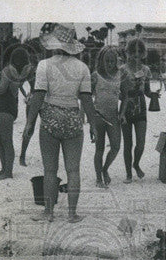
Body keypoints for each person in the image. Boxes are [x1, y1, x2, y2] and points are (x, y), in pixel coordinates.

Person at [23, 23, 95, 223]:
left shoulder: (44, 65)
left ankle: (49, 212)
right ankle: (72, 214)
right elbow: (87, 99)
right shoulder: (82, 67)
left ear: (54, 43)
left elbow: (38, 96)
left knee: (50, 170)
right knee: (73, 170)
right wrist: (94, 125)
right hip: (73, 119)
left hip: (51, 119)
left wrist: (29, 123)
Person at [0, 46, 30, 180]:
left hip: (5, 109)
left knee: (4, 140)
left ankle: (7, 171)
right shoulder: (17, 73)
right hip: (7, 109)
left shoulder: (7, 71)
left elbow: (1, 89)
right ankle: (5, 168)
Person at [119, 38, 152, 182]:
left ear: (143, 53)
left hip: (141, 107)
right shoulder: (122, 70)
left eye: (139, 51)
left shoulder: (146, 70)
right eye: (133, 51)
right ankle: (128, 173)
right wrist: (126, 96)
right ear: (128, 52)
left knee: (141, 143)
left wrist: (154, 95)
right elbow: (118, 92)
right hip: (126, 108)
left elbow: (147, 91)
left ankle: (136, 164)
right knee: (127, 144)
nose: (136, 54)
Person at [91, 45, 122, 188]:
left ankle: (105, 169)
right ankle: (98, 178)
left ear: (116, 61)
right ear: (101, 60)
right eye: (107, 61)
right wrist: (89, 120)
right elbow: (86, 98)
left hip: (114, 117)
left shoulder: (120, 75)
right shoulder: (95, 75)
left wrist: (122, 113)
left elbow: (126, 96)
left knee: (115, 147)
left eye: (112, 61)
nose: (109, 64)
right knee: (99, 149)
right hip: (98, 116)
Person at [18, 37, 46, 167]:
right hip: (36, 98)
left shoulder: (43, 66)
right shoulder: (29, 68)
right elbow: (19, 84)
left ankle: (24, 156)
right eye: (31, 53)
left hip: (43, 99)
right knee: (30, 127)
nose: (34, 55)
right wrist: (27, 95)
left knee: (45, 128)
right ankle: (22, 156)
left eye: (36, 53)